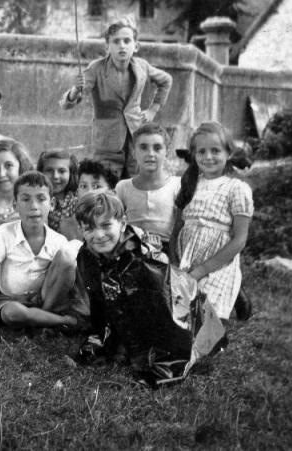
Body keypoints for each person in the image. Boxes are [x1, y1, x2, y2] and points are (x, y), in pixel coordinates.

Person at [73, 190, 223, 384]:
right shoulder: (87, 254)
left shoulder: (142, 261)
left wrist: (166, 362)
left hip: (183, 317)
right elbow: (100, 301)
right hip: (132, 317)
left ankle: (191, 354)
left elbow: (170, 313)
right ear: (80, 229)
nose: (99, 235)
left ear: (123, 223)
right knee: (105, 352)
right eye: (89, 228)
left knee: (158, 367)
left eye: (106, 225)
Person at [0, 171, 79, 335]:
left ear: (52, 203)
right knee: (12, 313)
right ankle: (61, 321)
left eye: (41, 199)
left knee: (67, 259)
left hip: (43, 299)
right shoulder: (5, 232)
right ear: (15, 204)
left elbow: (62, 276)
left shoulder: (57, 240)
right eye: (26, 199)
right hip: (9, 300)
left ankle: (43, 316)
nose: (34, 206)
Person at [59, 16, 172, 178]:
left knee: (135, 184)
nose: (122, 46)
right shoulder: (96, 69)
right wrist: (75, 91)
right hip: (107, 143)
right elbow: (67, 103)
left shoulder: (142, 66)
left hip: (135, 138)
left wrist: (153, 109)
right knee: (106, 184)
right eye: (116, 41)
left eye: (127, 41)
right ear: (107, 47)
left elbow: (166, 80)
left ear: (136, 46)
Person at [171, 122, 254, 321]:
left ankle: (234, 295)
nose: (208, 157)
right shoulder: (188, 184)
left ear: (228, 153)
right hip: (186, 260)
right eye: (202, 151)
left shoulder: (236, 188)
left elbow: (240, 239)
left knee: (203, 325)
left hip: (217, 263)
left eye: (215, 150)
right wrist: (174, 264)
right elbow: (177, 227)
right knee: (179, 318)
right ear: (194, 155)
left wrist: (203, 270)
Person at [114, 123, 180, 251]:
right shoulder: (123, 187)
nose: (150, 153)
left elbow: (181, 227)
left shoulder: (176, 185)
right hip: (133, 248)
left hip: (168, 249)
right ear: (134, 152)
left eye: (157, 148)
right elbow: (116, 224)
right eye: (143, 147)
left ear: (167, 152)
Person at [36, 148, 79, 240]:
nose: (55, 176)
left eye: (62, 171)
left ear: (71, 174)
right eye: (49, 170)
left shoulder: (77, 204)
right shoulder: (34, 202)